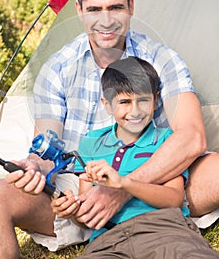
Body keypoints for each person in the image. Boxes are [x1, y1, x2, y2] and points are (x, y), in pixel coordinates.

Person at [0, 0, 218, 258]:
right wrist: (36, 167)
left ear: (131, 6)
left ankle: (147, 217)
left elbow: (192, 138)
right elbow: (47, 151)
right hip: (78, 192)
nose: (106, 21)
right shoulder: (57, 68)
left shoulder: (163, 59)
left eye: (116, 7)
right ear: (79, 9)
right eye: (95, 9)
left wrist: (121, 190)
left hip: (155, 175)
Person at [50, 57, 219, 258]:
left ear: (156, 100)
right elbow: (88, 216)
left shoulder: (166, 142)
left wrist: (125, 183)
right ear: (107, 104)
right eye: (124, 102)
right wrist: (73, 210)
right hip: (108, 241)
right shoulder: (91, 143)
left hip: (166, 230)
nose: (135, 111)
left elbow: (173, 199)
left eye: (143, 100)